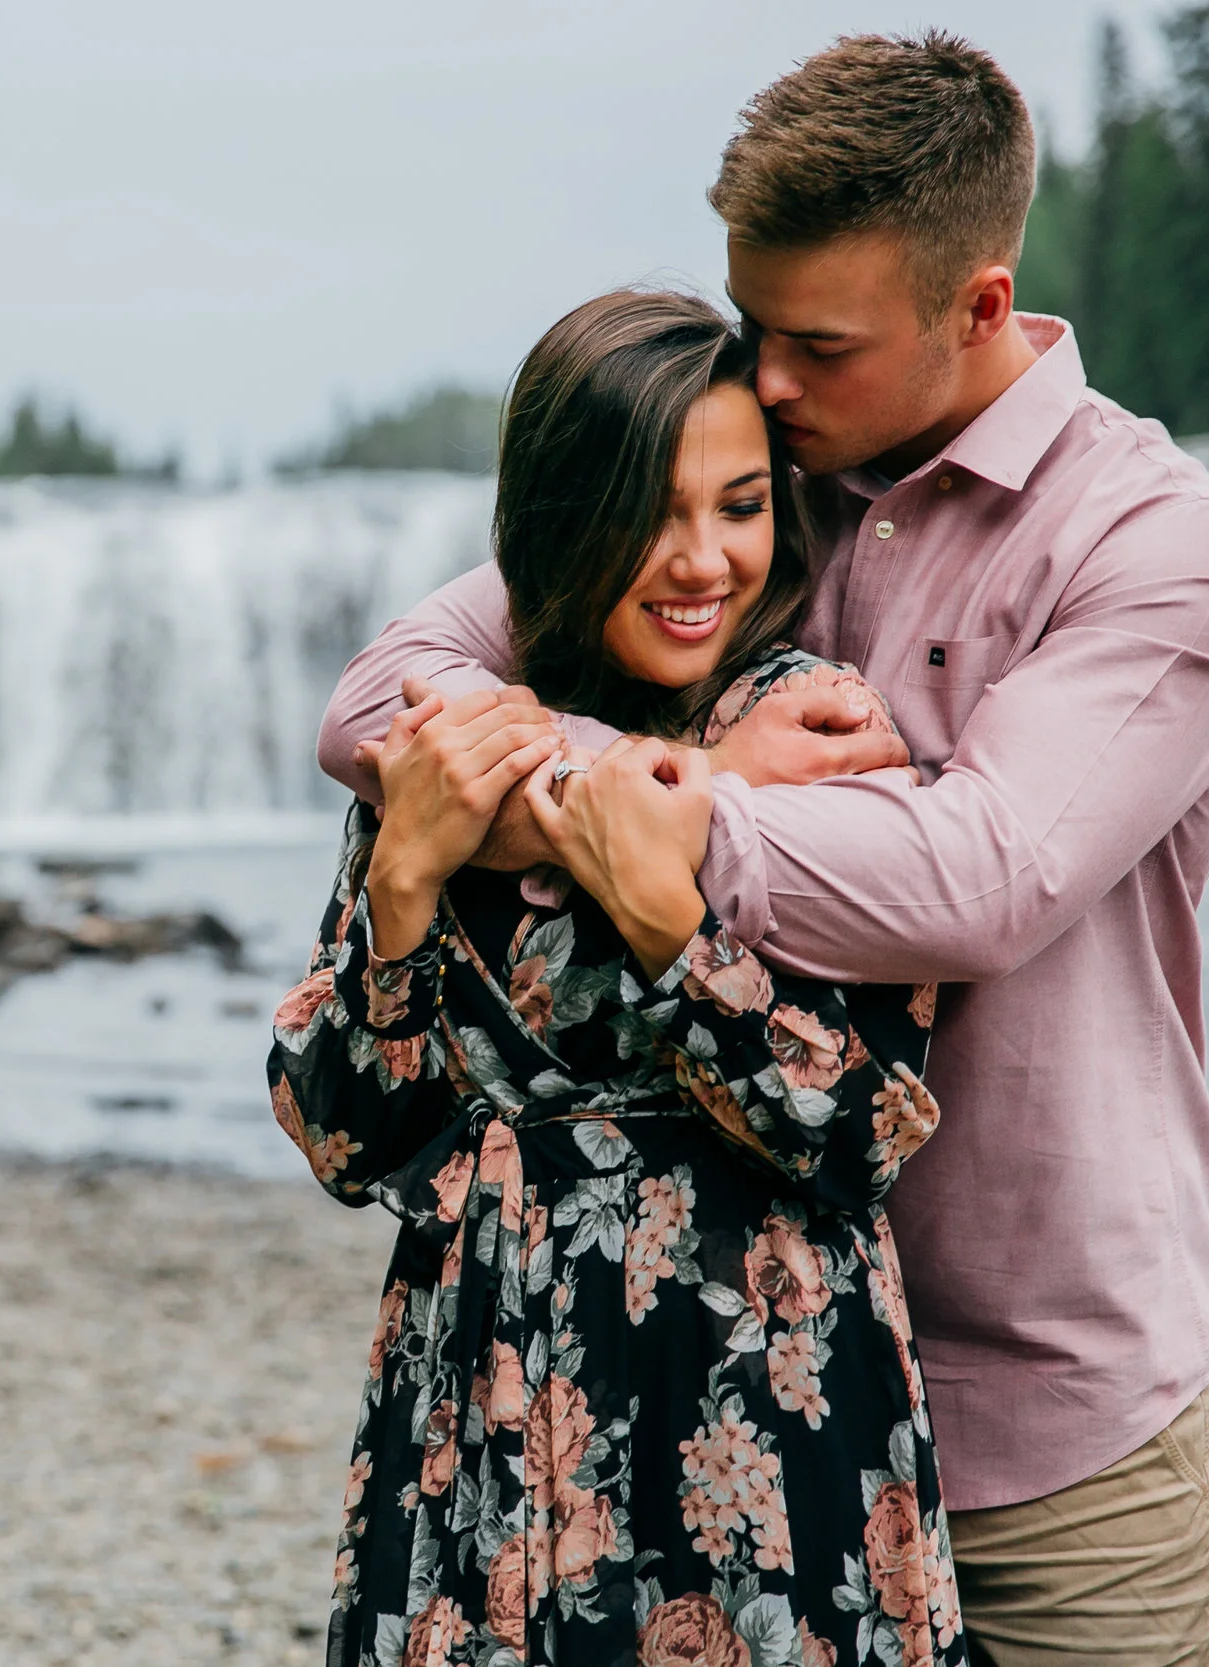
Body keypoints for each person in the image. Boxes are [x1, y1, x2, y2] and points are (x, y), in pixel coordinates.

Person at [319, 33, 1209, 1667]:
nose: (764, 378)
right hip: (745, 1386)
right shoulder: (753, 484)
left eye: (815, 344)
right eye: (755, 327)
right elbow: (386, 697)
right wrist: (665, 764)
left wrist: (671, 817)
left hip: (1052, 1401)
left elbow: (984, 880)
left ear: (980, 308)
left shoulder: (1159, 543)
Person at [271, 288, 964, 1667]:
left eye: (741, 504)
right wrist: (403, 888)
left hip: (763, 1412)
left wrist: (673, 935)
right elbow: (347, 1139)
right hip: (484, 1411)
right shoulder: (454, 755)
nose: (702, 558)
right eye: (653, 510)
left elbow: (865, 1134)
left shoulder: (818, 734)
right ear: (560, 514)